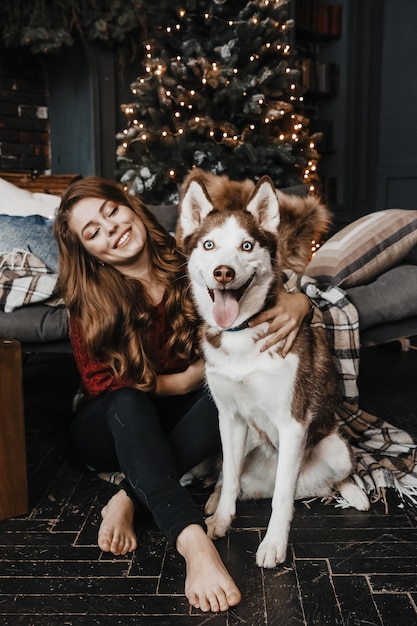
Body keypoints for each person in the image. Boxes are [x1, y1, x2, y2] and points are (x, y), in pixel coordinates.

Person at [54, 176, 311, 613]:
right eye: (93, 231)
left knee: (230, 397)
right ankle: (193, 543)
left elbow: (255, 274)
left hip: (172, 426)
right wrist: (191, 379)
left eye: (111, 212)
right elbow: (103, 384)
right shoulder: (90, 297)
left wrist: (298, 302)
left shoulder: (194, 257)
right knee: (131, 401)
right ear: (86, 250)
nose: (110, 229)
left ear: (130, 206)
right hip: (110, 424)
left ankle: (128, 495)